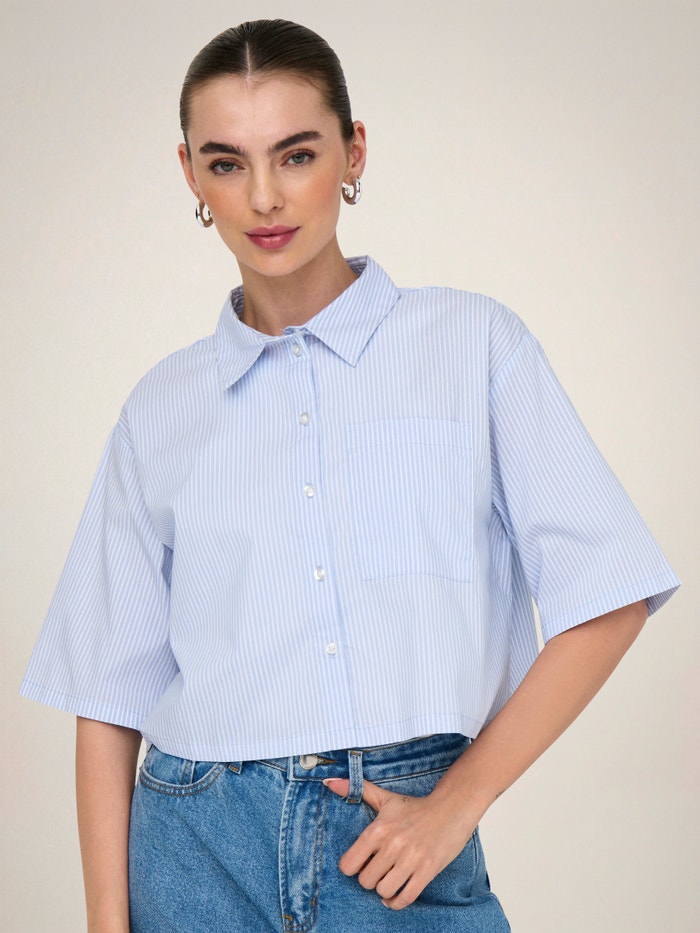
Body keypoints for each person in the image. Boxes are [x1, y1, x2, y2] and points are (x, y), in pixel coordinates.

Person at [20, 18, 679, 933]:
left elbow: (609, 592)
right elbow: (107, 691)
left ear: (353, 151)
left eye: (296, 154)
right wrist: (105, 923)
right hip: (194, 849)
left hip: (398, 841)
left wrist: (456, 802)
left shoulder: (474, 346)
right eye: (226, 163)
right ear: (190, 176)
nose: (263, 197)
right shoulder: (160, 408)